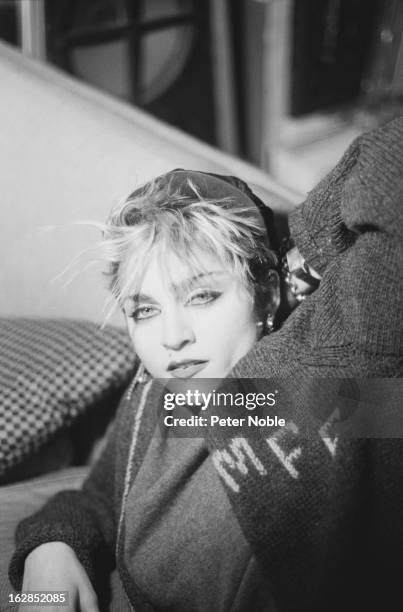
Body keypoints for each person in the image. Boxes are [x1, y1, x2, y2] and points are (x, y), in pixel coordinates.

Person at [9, 118, 403, 612]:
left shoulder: (332, 377)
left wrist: (303, 258)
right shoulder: (160, 392)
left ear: (267, 295)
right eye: (144, 309)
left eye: (203, 295)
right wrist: (50, 550)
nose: (172, 338)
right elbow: (98, 499)